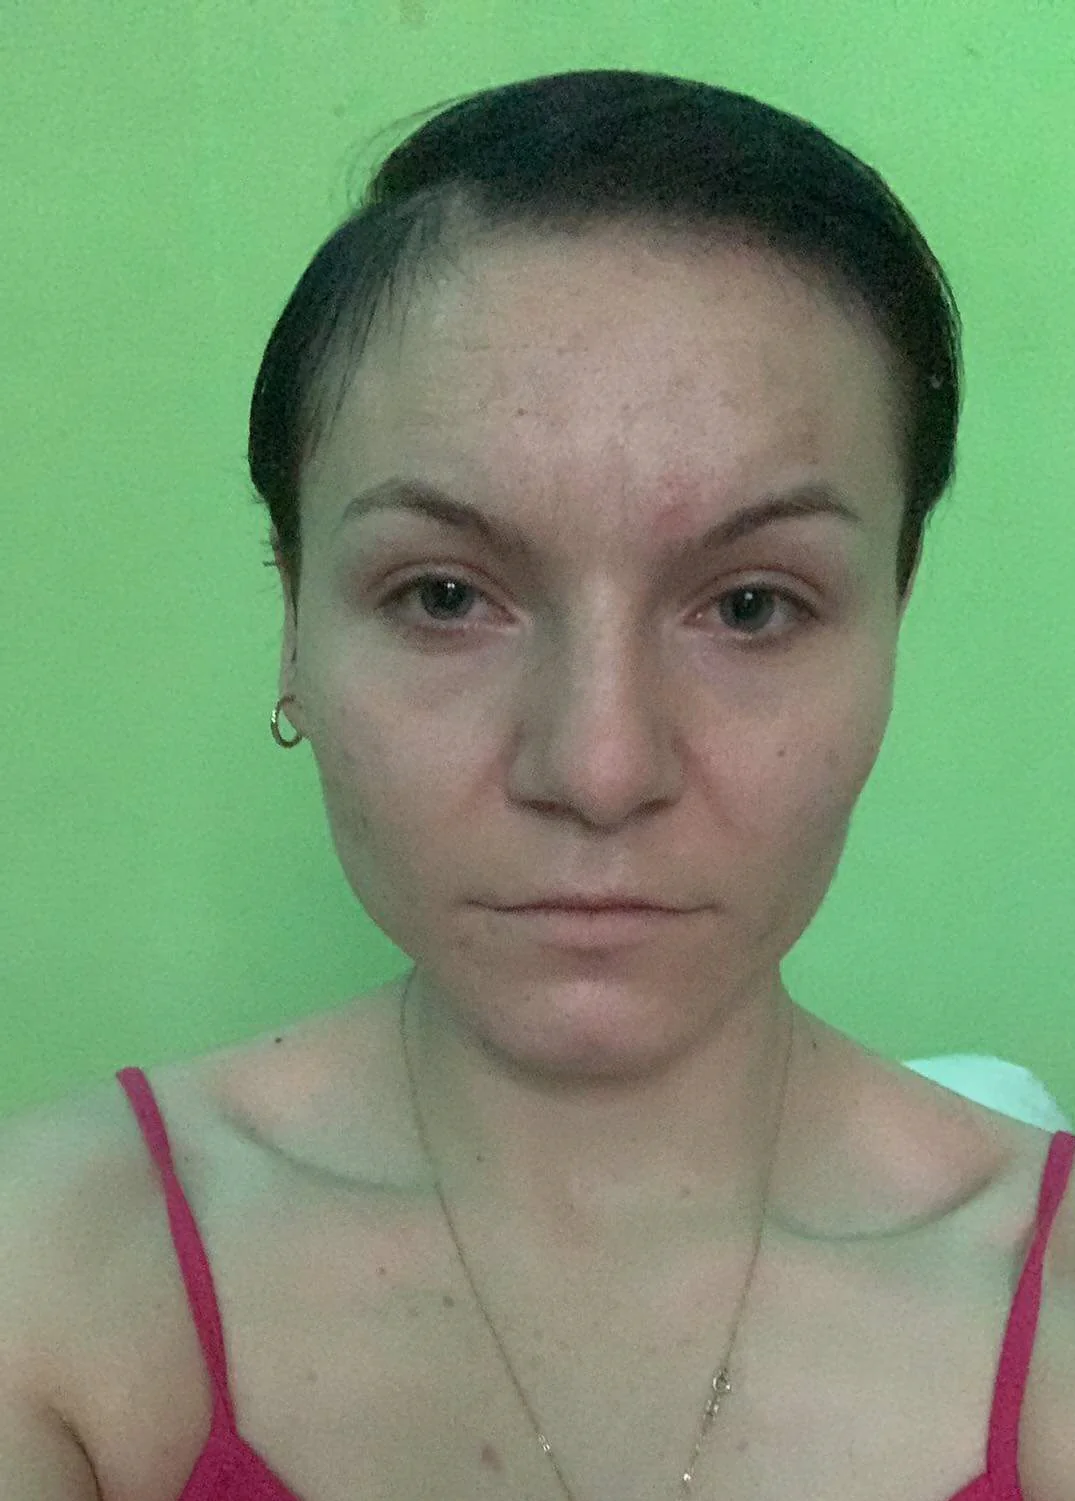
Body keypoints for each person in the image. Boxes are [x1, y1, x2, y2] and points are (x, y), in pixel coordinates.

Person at [1, 67, 1072, 1501]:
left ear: (892, 617)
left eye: (751, 606)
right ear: (293, 627)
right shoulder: (53, 1279)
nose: (597, 769)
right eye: (444, 595)